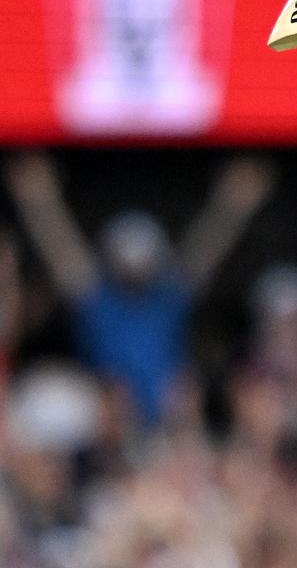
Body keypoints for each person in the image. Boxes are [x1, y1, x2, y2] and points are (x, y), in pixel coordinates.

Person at [4, 152, 275, 426]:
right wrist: (39, 201)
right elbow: (64, 253)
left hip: (168, 426)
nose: (135, 268)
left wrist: (233, 204)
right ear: (111, 260)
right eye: (126, 259)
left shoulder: (167, 301)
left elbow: (204, 252)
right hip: (105, 425)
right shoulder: (99, 302)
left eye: (142, 259)